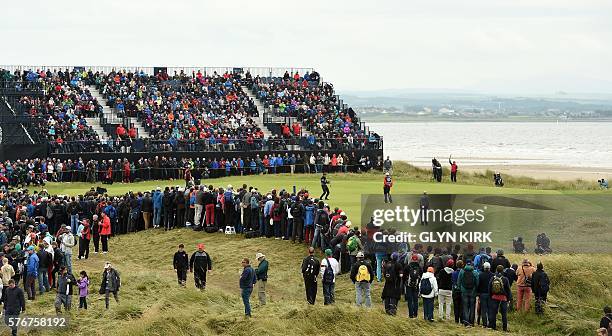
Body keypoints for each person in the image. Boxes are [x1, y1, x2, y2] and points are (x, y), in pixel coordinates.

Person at [489, 265, 511, 331]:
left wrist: (491, 296)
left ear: (496, 270)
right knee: (504, 314)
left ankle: (493, 327)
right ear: (503, 270)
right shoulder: (505, 279)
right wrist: (508, 299)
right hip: (503, 298)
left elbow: (489, 288)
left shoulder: (493, 278)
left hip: (494, 297)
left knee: (493, 313)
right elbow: (508, 290)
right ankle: (504, 328)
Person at [458, 261, 479, 326]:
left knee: (465, 307)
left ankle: (466, 322)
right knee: (472, 307)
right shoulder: (475, 272)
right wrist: (476, 289)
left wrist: (460, 288)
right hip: (473, 291)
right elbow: (477, 282)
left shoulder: (462, 271)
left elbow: (459, 281)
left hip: (464, 291)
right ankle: (471, 322)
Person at [477, 262, 494, 327]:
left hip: (482, 294)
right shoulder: (493, 275)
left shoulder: (480, 275)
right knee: (490, 309)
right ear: (489, 268)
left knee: (483, 310)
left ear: (483, 267)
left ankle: (484, 324)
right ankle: (490, 323)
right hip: (490, 294)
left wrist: (478, 293)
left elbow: (478, 285)